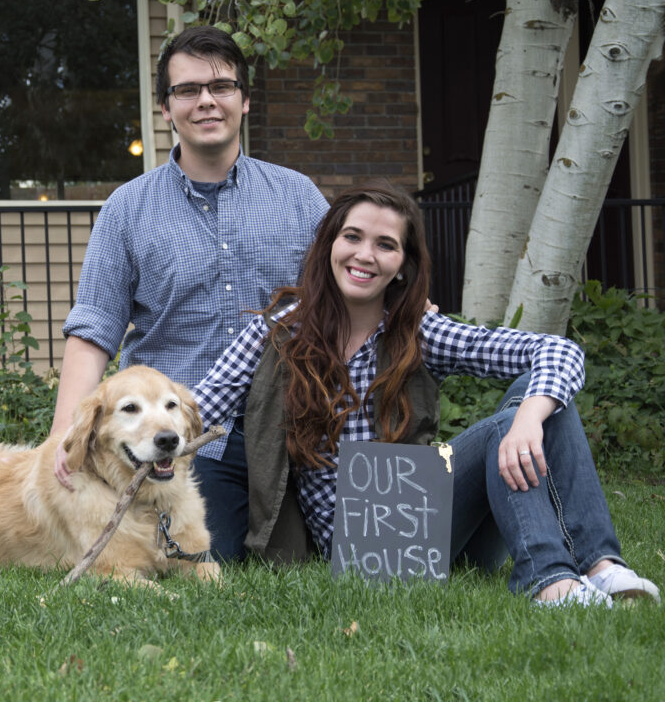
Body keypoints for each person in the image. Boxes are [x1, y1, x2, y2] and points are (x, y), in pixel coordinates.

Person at [193, 180, 659, 605]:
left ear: (402, 266)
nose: (365, 255)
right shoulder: (276, 334)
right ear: (328, 244)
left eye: (386, 245)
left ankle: (600, 566)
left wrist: (529, 418)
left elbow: (559, 352)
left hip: (425, 520)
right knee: (510, 421)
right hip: (353, 549)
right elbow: (195, 414)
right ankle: (552, 580)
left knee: (540, 398)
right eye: (352, 237)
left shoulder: (417, 331)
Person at [50, 25, 329, 560]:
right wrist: (65, 436)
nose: (206, 101)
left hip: (290, 429)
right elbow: (94, 331)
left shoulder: (298, 198)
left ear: (244, 102)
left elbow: (345, 293)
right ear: (166, 108)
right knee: (206, 560)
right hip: (180, 440)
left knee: (319, 555)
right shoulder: (127, 210)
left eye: (221, 87)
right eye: (187, 90)